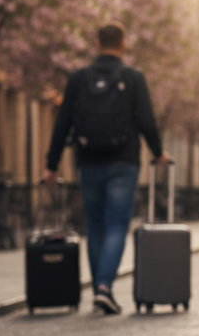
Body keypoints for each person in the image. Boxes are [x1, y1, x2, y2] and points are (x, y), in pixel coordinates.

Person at [43, 21, 170, 315]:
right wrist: (158, 152)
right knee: (116, 224)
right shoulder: (133, 77)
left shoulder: (78, 78)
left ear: (97, 44)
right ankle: (103, 287)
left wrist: (51, 165)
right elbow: (147, 120)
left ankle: (100, 287)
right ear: (123, 44)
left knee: (96, 225)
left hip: (88, 161)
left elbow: (63, 122)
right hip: (124, 161)